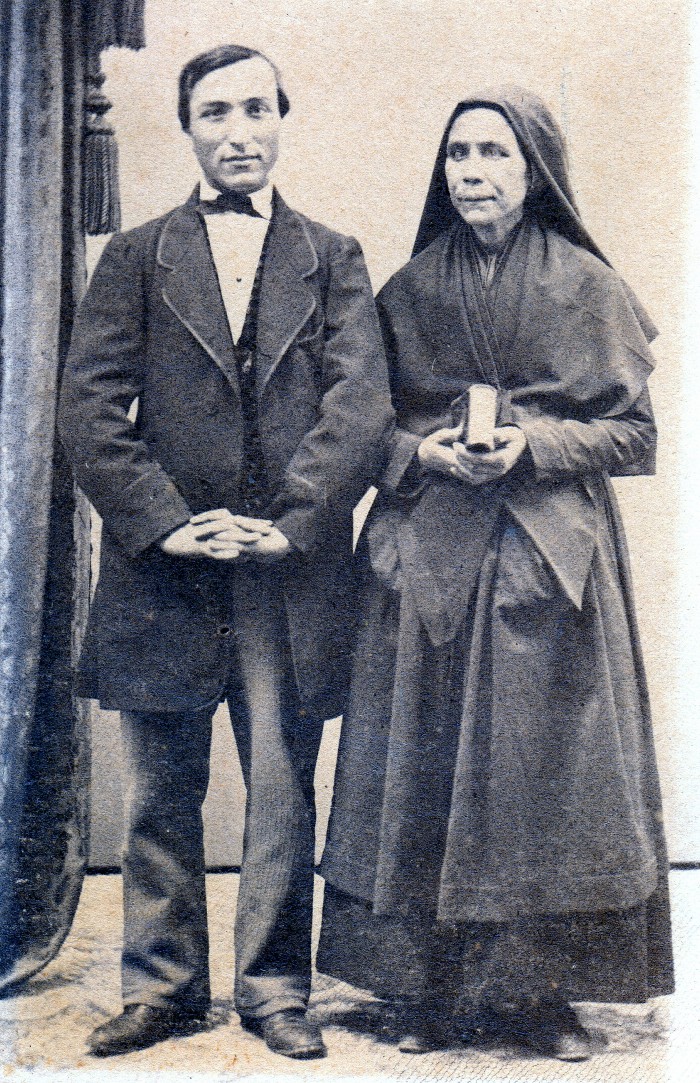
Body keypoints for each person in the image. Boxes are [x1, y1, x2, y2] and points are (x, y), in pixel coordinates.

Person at [318, 86, 674, 1062]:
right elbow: (363, 427)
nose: (471, 173)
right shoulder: (409, 288)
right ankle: (413, 990)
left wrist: (531, 445)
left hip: (545, 569)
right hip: (427, 557)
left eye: (493, 154)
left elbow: (634, 435)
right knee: (418, 767)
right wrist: (421, 454)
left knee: (536, 780)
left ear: (534, 173)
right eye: (458, 155)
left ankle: (539, 997)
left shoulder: (585, 285)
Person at [59, 44, 393, 1060]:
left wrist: (288, 521)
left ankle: (274, 989)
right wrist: (165, 519)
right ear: (189, 128)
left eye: (256, 109)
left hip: (285, 570)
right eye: (215, 113)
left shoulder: (333, 256)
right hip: (165, 565)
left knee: (284, 782)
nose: (237, 131)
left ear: (282, 120)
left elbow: (360, 405)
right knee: (162, 786)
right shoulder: (139, 255)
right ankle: (161, 987)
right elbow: (86, 406)